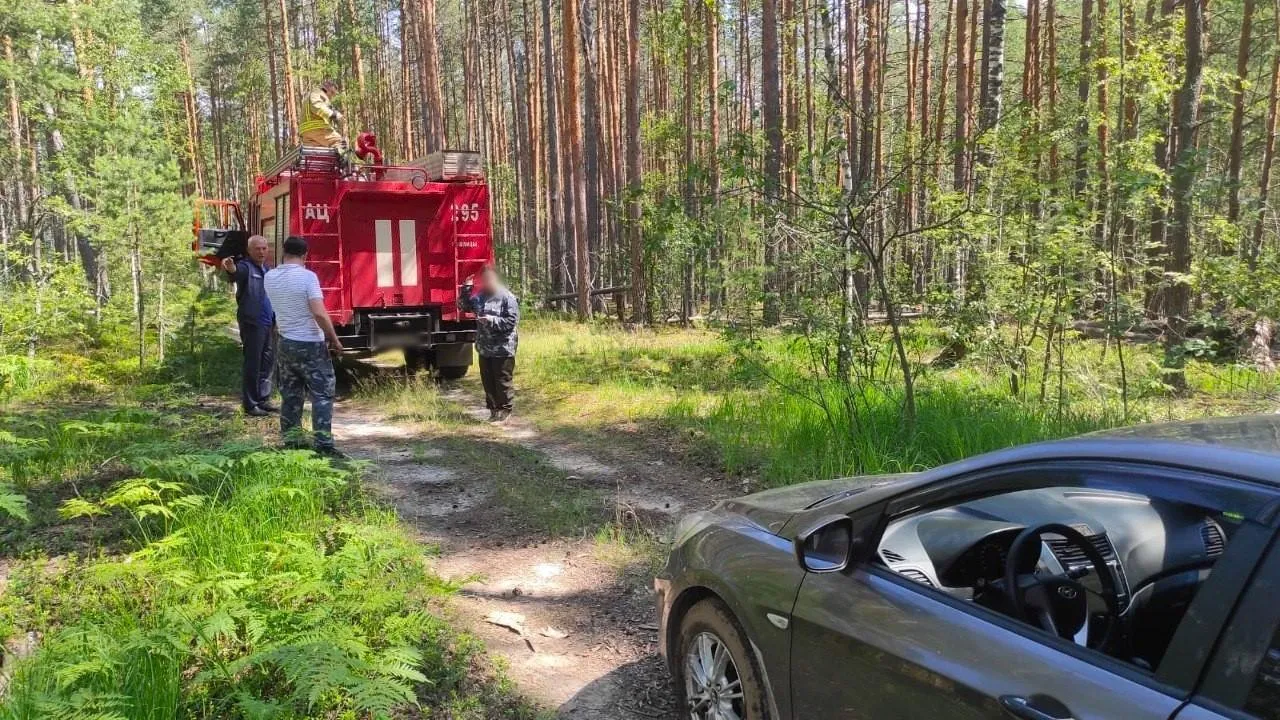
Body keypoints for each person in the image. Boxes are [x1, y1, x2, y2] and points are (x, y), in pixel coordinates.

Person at [264, 235, 346, 458]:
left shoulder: (270, 277)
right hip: (310, 344)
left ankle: (292, 443)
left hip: (284, 343)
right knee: (321, 395)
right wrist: (334, 339)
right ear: (305, 255)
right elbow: (318, 312)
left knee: (291, 394)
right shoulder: (308, 277)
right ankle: (323, 445)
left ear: (284, 252)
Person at [221, 235, 276, 417]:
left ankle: (263, 399)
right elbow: (235, 273)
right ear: (249, 250)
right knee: (253, 363)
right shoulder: (246, 267)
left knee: (267, 362)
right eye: (257, 249)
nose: (261, 252)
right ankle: (250, 404)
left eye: (264, 248)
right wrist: (231, 269)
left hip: (268, 323)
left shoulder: (266, 269)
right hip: (253, 322)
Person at [459, 266, 520, 422]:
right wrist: (466, 288)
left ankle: (505, 410)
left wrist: (491, 320)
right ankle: (493, 410)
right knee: (488, 380)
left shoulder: (507, 297)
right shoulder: (480, 296)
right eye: (484, 280)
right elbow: (464, 306)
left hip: (503, 347)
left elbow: (511, 322)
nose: (487, 283)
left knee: (502, 380)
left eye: (490, 279)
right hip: (485, 347)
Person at [299, 79, 345, 151]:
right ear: (326, 89)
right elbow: (317, 106)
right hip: (317, 129)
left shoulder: (310, 96)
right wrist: (333, 114)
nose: (332, 97)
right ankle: (343, 160)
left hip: (306, 133)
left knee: (318, 154)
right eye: (332, 93)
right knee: (339, 142)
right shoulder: (318, 93)